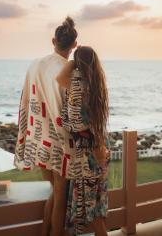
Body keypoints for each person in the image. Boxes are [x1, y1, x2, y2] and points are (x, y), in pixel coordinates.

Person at [14, 17, 78, 236]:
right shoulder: (67, 71)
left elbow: (25, 100)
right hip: (59, 143)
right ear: (74, 45)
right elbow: (69, 111)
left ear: (54, 40)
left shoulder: (35, 64)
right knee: (60, 198)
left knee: (55, 192)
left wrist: (25, 133)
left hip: (38, 138)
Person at [56, 46, 111, 236]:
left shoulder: (78, 84)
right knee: (97, 202)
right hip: (98, 148)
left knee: (90, 208)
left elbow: (59, 78)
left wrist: (73, 59)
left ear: (79, 64)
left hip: (89, 151)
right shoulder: (95, 84)